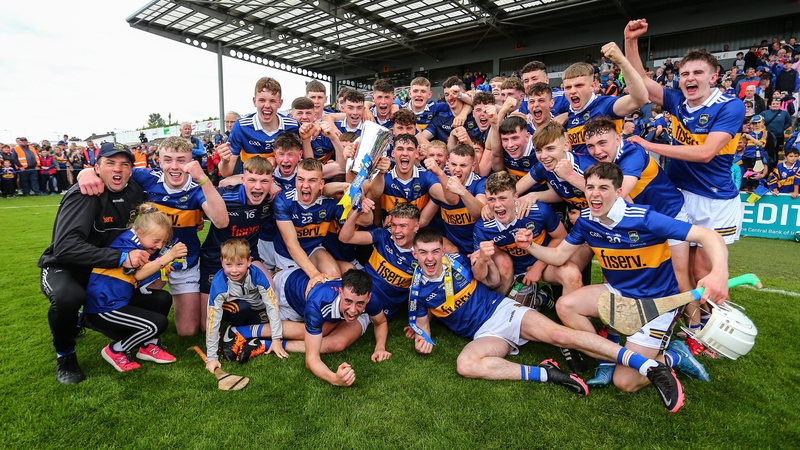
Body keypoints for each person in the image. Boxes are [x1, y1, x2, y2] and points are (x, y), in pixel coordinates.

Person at [408, 228, 686, 412]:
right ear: (415, 254)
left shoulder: (458, 262)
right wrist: (423, 340)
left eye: (435, 251)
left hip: (504, 311)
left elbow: (492, 281)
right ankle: (548, 373)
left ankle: (650, 367)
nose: (430, 258)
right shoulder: (418, 290)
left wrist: (482, 262)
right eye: (423, 252)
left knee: (561, 336)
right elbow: (423, 327)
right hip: (484, 335)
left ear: (442, 251)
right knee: (465, 365)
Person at [518, 163, 727, 391]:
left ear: (619, 192)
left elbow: (709, 236)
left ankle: (674, 355)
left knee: (626, 382)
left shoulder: (645, 218)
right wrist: (530, 245)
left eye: (603, 188)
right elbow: (558, 256)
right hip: (619, 293)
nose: (595, 194)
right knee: (566, 306)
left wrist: (719, 273)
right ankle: (607, 359)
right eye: (590, 187)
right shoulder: (587, 222)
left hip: (656, 302)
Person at [624, 19, 746, 356]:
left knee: (703, 270)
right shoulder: (679, 101)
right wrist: (630, 42)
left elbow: (706, 153)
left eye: (697, 73)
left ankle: (722, 333)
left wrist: (652, 146)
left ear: (714, 77)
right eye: (684, 73)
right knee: (678, 269)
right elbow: (643, 83)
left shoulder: (729, 106)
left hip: (714, 200)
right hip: (680, 196)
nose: (689, 78)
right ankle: (693, 327)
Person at [78, 136, 230, 336]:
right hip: (147, 260)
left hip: (184, 261)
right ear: (159, 161)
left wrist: (203, 179)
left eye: (181, 160)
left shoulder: (196, 188)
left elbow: (221, 222)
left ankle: (146, 327)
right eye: (168, 160)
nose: (174, 166)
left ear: (191, 161)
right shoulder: (146, 178)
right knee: (128, 296)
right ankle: (98, 318)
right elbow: (115, 172)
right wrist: (87, 172)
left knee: (188, 331)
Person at [38, 143, 147, 384]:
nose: (117, 169)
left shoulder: (135, 191)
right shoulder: (85, 192)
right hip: (64, 266)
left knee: (144, 298)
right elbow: (65, 247)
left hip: (100, 269)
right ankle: (65, 355)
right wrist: (119, 258)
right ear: (96, 167)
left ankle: (84, 319)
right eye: (110, 163)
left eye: (124, 164)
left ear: (131, 170)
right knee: (68, 298)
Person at [84, 204, 188, 372]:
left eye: (163, 242)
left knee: (162, 298)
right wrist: (168, 256)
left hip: (120, 298)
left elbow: (138, 274)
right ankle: (116, 350)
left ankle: (148, 346)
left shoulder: (142, 243)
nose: (160, 246)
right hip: (104, 305)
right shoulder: (128, 242)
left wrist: (160, 266)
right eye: (156, 241)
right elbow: (138, 274)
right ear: (139, 232)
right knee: (156, 325)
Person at [272, 267, 391, 386]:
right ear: (340, 292)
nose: (353, 310)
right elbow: (311, 360)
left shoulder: (372, 299)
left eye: (360, 303)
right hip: (283, 291)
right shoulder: (317, 305)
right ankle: (255, 331)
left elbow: (380, 322)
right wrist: (334, 379)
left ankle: (267, 343)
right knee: (315, 331)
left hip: (305, 302)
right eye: (348, 301)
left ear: (368, 298)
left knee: (333, 341)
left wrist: (380, 348)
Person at [205, 238, 288, 369]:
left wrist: (276, 339)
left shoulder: (257, 275)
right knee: (241, 307)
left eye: (239, 264)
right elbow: (212, 319)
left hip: (256, 309)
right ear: (221, 262)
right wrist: (211, 358)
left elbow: (272, 305)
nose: (234, 270)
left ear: (249, 261)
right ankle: (232, 330)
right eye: (229, 265)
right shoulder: (219, 283)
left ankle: (245, 336)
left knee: (267, 319)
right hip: (236, 309)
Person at [218, 77, 299, 177]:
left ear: (280, 103)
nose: (267, 105)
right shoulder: (241, 127)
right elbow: (226, 172)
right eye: (262, 100)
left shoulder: (292, 126)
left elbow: (301, 160)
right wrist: (224, 162)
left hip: (285, 184)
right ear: (254, 101)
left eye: (272, 101)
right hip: (253, 186)